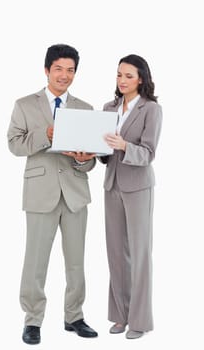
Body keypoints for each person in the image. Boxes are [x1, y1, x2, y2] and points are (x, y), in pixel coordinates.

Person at [7, 44, 98, 345]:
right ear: (47, 70)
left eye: (70, 70)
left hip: (75, 193)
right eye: (58, 68)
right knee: (35, 261)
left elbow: (90, 160)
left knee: (76, 261)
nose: (64, 75)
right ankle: (32, 320)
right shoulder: (24, 104)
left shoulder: (84, 108)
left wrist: (85, 159)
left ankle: (74, 316)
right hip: (40, 192)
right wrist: (45, 134)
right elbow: (14, 144)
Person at [100, 54, 162, 339]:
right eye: (119, 75)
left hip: (138, 187)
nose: (122, 80)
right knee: (115, 253)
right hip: (112, 183)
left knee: (139, 254)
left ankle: (139, 320)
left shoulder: (151, 109)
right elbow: (104, 150)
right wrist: (93, 150)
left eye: (128, 76)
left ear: (141, 78)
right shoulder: (108, 107)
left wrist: (124, 145)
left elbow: (148, 154)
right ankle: (120, 315)